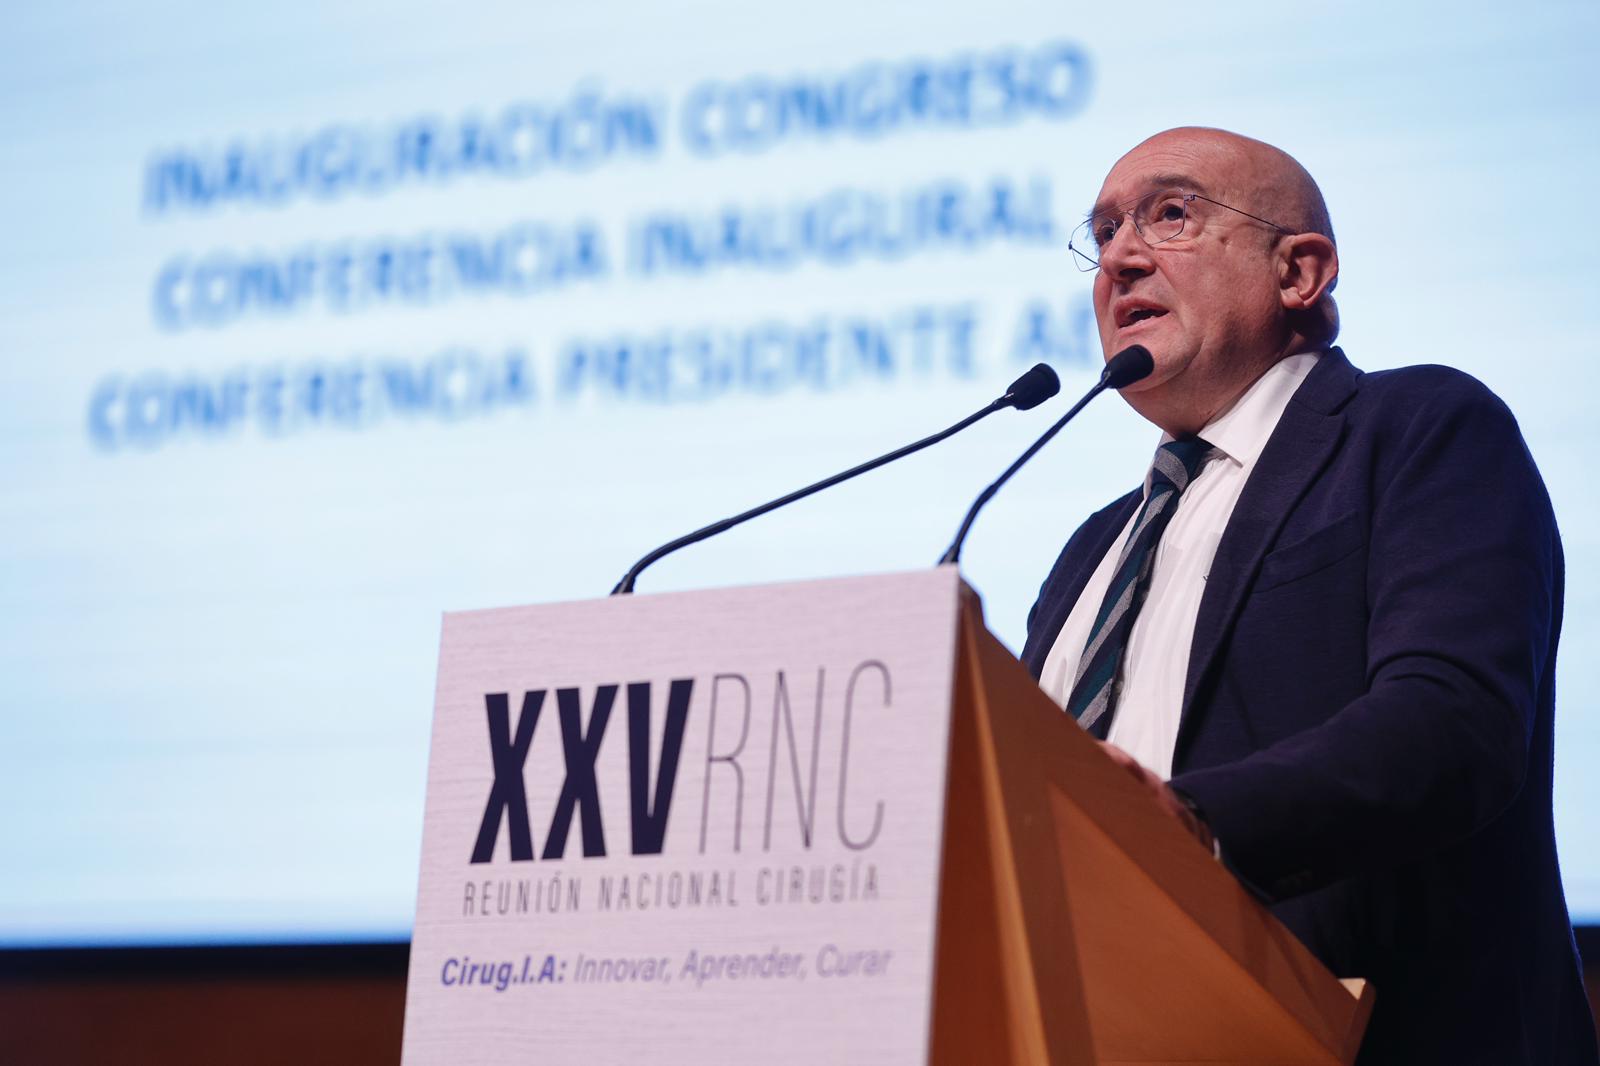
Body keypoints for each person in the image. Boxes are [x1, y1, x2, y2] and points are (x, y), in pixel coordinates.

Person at [1020, 127, 1598, 1064]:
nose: (1120, 256)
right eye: (1105, 231)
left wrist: (1192, 826)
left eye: (1170, 214)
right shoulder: (1093, 550)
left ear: (1300, 272)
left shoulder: (1417, 431)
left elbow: (1455, 722)